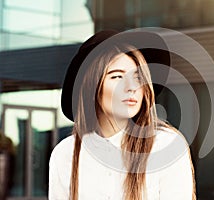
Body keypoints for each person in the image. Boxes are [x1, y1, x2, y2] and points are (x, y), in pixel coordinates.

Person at [48, 30, 196, 200]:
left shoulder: (166, 145)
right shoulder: (65, 153)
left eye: (138, 77)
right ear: (92, 86)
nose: (131, 87)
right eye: (117, 76)